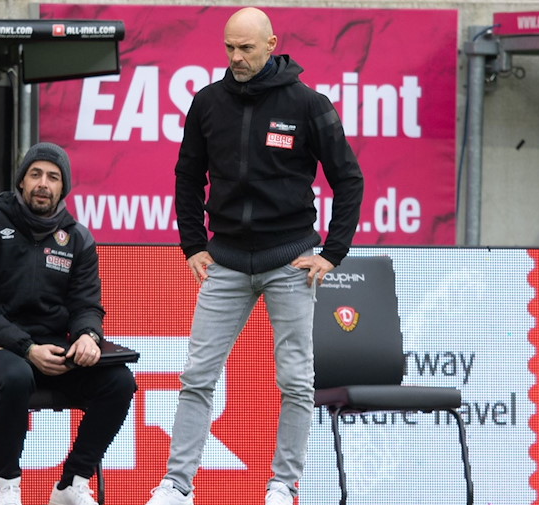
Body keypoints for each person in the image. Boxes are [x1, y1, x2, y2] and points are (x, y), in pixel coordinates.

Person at [145, 7, 364, 505]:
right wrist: (193, 245)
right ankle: (178, 485)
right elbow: (186, 176)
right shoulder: (207, 103)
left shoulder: (309, 104)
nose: (236, 57)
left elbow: (349, 179)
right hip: (224, 262)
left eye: (246, 47)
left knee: (296, 381)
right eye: (229, 47)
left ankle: (283, 486)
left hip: (290, 261)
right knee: (196, 377)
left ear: (272, 44)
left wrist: (333, 253)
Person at [0, 142, 137, 505]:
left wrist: (88, 335)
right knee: (16, 374)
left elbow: (87, 304)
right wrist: (26, 348)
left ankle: (72, 483)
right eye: (35, 174)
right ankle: (7, 486)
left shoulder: (78, 238)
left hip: (53, 350)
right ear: (21, 182)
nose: (43, 183)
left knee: (119, 382)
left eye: (53, 177)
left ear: (63, 188)